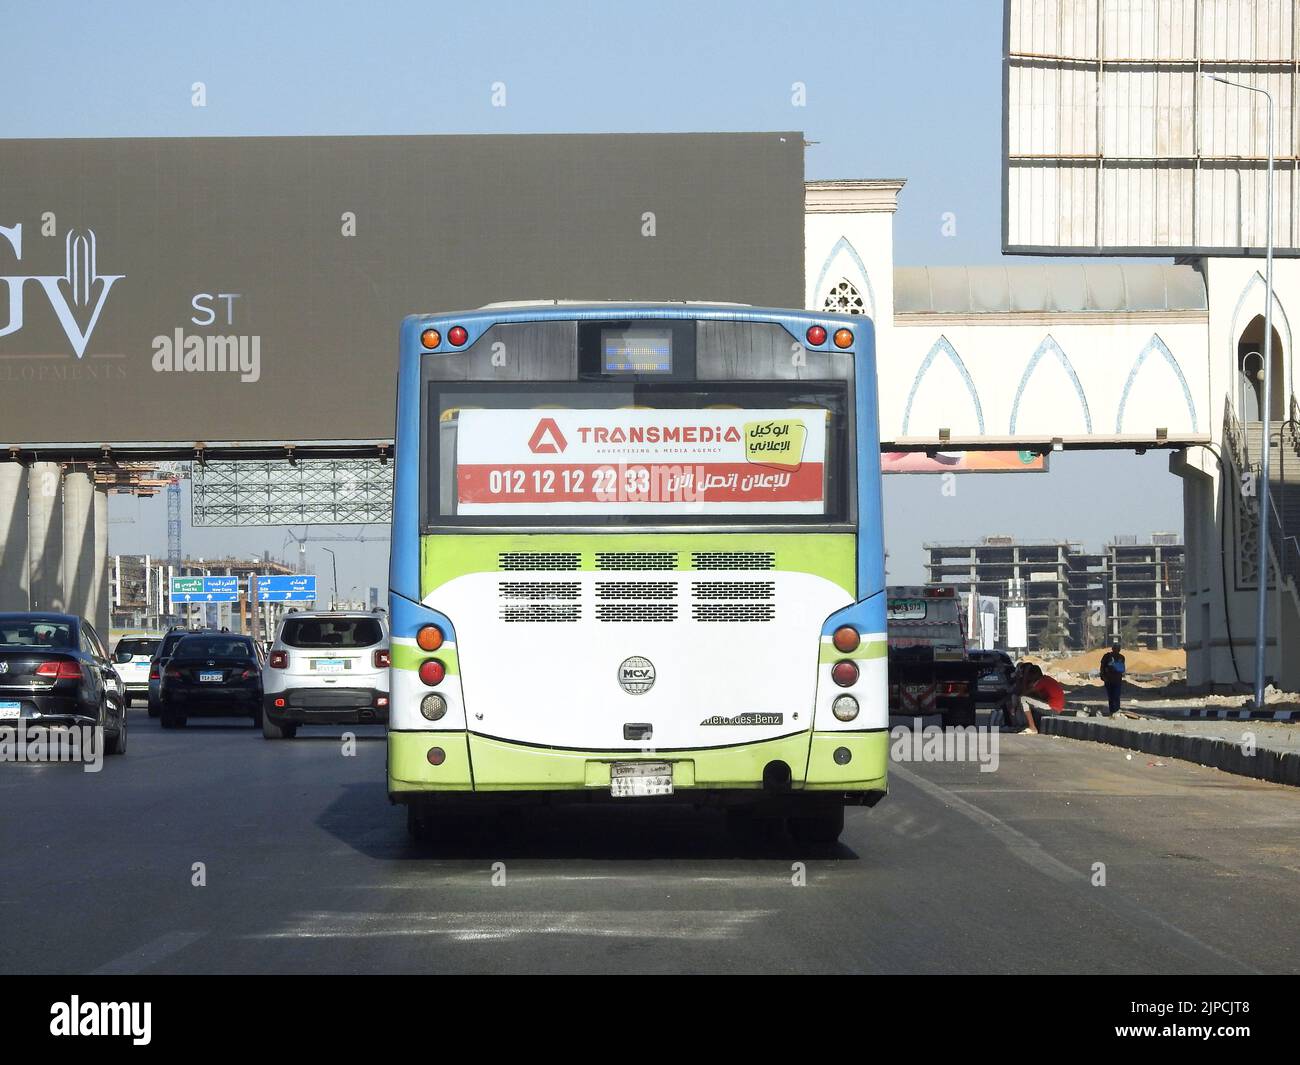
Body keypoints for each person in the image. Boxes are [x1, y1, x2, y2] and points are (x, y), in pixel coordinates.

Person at [1010, 662, 1065, 734]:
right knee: (1031, 701)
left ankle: (1032, 728)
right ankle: (1030, 726)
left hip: (1052, 708)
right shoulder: (1046, 679)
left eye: (1030, 676)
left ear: (1034, 675)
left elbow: (1024, 693)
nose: (1029, 678)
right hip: (1056, 708)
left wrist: (1014, 707)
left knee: (1023, 699)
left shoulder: (1040, 681)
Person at [1099, 641, 1126, 716]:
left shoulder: (1120, 657)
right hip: (1110, 680)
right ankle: (1113, 711)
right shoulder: (1107, 657)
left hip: (1115, 680)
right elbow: (1102, 667)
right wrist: (1103, 676)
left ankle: (1115, 711)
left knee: (1115, 696)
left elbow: (1121, 669)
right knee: (1112, 696)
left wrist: (1103, 675)